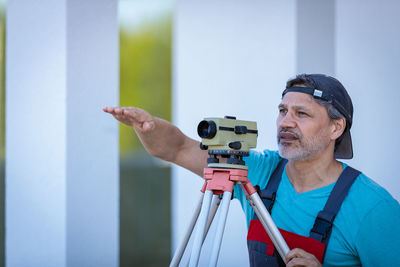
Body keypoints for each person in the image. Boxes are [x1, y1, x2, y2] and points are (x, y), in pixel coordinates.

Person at [103, 74, 400, 267]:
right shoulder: (259, 172)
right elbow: (177, 148)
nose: (285, 122)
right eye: (282, 111)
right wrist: (148, 126)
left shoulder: (374, 208)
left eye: (302, 114)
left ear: (336, 127)